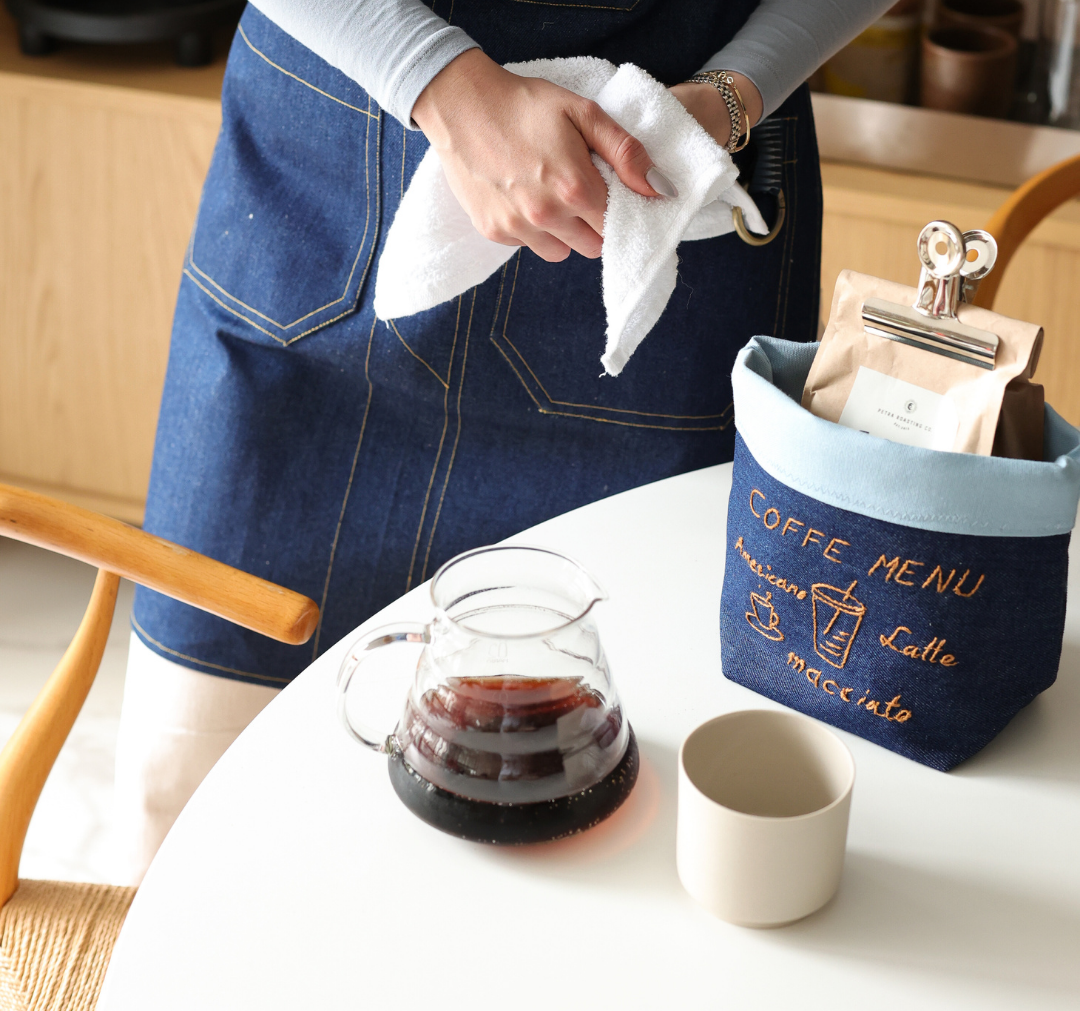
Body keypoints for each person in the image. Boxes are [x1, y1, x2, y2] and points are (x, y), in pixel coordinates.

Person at [111, 0, 894, 884]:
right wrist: (441, 84)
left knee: (617, 846)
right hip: (323, 211)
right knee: (195, 794)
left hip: (667, 212)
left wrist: (729, 96)